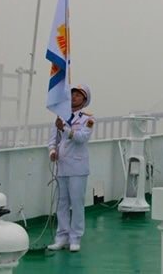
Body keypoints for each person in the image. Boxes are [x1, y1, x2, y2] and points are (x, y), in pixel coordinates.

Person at [47, 84, 94, 252]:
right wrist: (52, 151)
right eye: (73, 94)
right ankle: (61, 237)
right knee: (62, 203)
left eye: (78, 95)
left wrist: (65, 128)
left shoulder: (87, 119)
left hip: (78, 168)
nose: (74, 97)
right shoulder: (61, 117)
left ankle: (75, 238)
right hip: (62, 166)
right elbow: (53, 140)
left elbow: (81, 138)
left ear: (84, 100)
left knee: (77, 203)